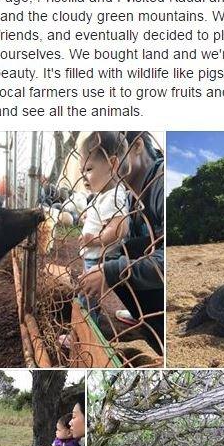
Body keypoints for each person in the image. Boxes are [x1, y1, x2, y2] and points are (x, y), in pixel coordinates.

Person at [79, 132, 164, 355]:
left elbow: (171, 260)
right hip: (147, 277)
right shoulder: (126, 194)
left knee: (116, 260)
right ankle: (140, 315)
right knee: (123, 253)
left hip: (165, 285)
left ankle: (157, 328)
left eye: (117, 146)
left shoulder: (161, 184)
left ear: (136, 146)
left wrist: (111, 271)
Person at [78, 132, 129, 322]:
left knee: (87, 296)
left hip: (100, 256)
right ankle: (88, 325)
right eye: (82, 171)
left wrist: (95, 239)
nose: (83, 177)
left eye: (89, 169)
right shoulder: (104, 194)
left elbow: (119, 229)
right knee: (88, 293)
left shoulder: (113, 195)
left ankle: (86, 330)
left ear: (112, 164)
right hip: (93, 255)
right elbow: (103, 220)